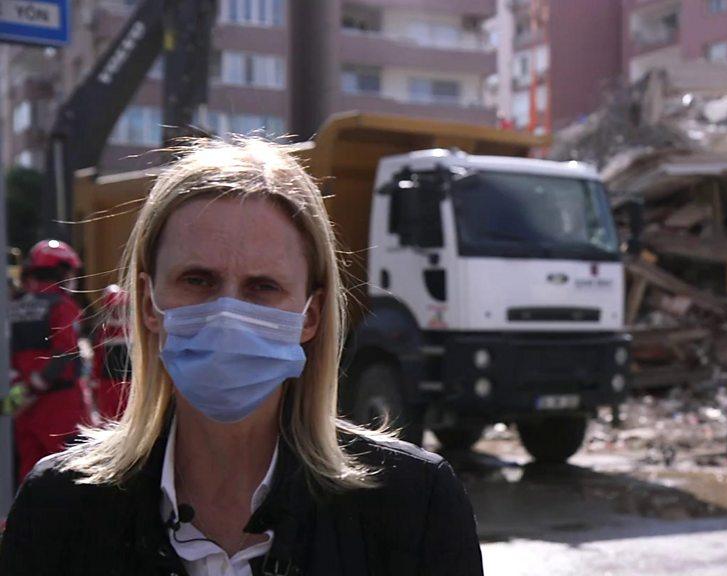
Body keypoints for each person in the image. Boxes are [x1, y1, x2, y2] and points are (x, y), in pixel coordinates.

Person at [0, 138, 484, 575]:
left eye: (263, 287)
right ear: (149, 303)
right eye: (198, 280)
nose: (227, 313)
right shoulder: (59, 507)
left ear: (310, 315)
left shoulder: (415, 506)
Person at [8, 239, 88, 483]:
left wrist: (25, 389)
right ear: (61, 270)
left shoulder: (14, 306)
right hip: (58, 404)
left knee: (29, 476)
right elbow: (65, 350)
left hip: (22, 403)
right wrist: (39, 383)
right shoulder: (62, 306)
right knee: (65, 475)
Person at [91, 284, 131, 420]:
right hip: (109, 386)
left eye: (120, 307)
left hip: (130, 386)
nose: (116, 312)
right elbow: (98, 360)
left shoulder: (135, 330)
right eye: (113, 308)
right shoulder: (103, 332)